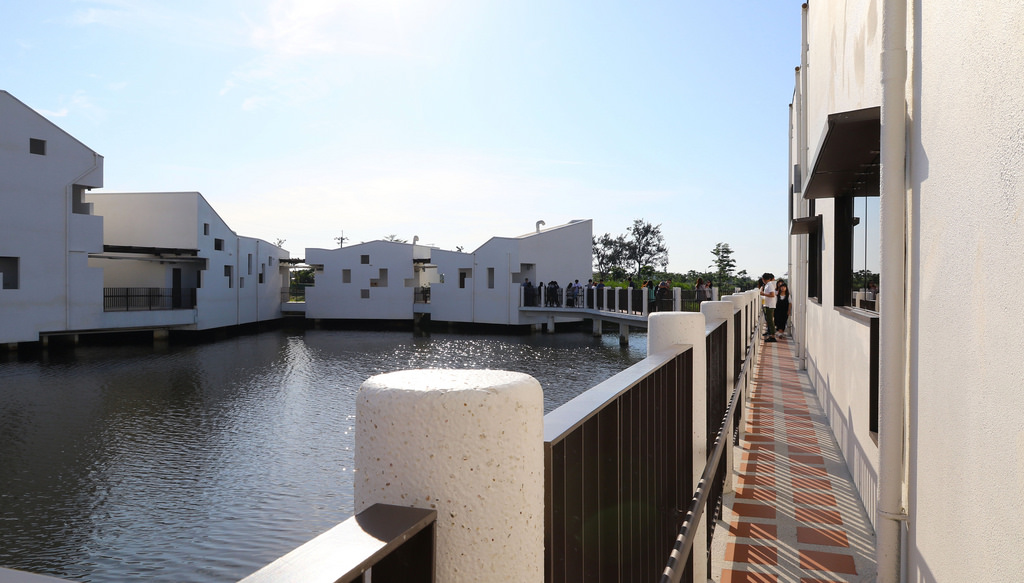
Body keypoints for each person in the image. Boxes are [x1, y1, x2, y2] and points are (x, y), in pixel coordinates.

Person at [760, 273, 777, 342]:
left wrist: (763, 293)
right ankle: (771, 334)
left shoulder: (769, 285)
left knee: (770, 321)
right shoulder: (768, 285)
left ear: (763, 279)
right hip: (768, 305)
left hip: (770, 305)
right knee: (769, 320)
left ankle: (772, 336)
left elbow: (772, 295)